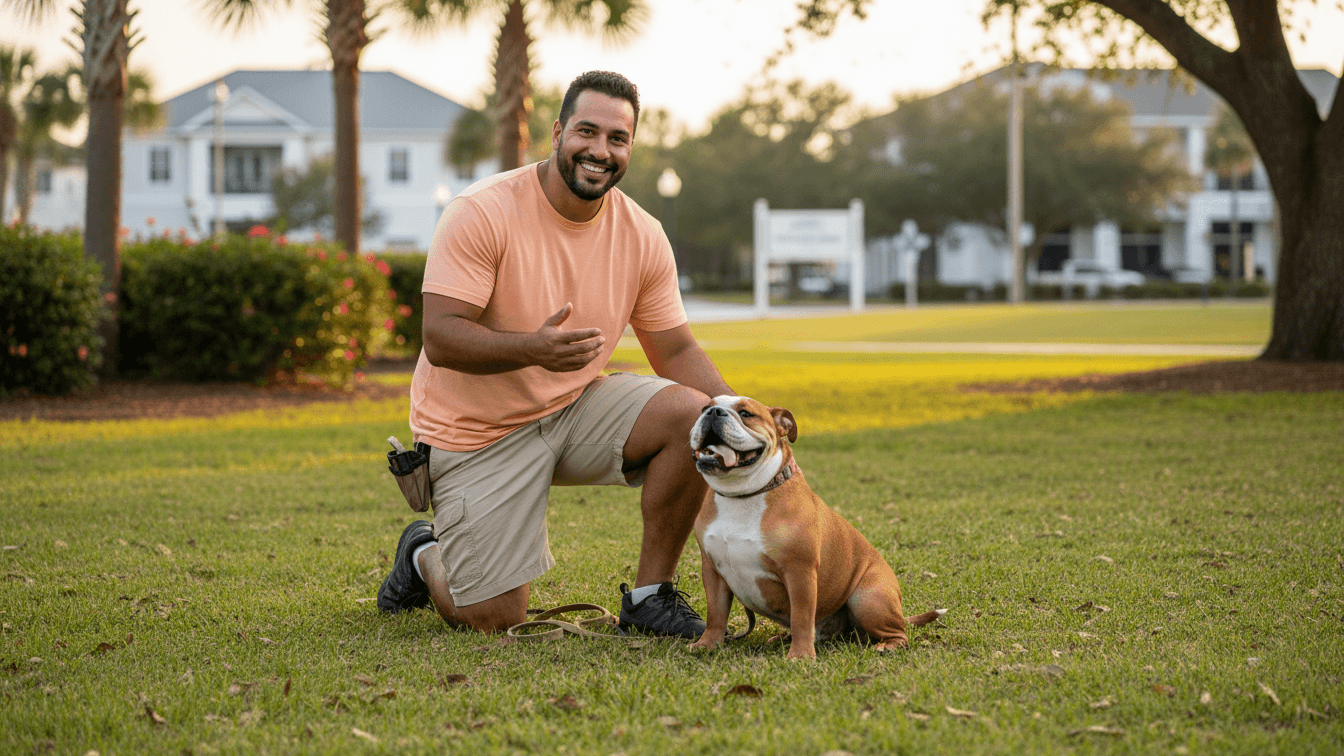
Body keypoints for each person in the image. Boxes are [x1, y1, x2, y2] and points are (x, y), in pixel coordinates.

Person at [376, 71, 733, 639]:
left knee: (692, 414)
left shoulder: (642, 233)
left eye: (618, 138)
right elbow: (440, 338)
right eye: (587, 131)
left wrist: (743, 420)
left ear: (630, 147)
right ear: (557, 131)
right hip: (476, 432)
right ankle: (423, 553)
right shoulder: (483, 211)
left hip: (572, 407)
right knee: (494, 619)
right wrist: (533, 349)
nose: (600, 150)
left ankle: (649, 597)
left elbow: (676, 347)